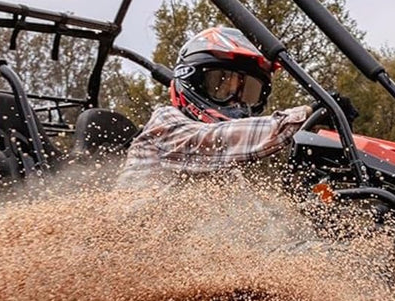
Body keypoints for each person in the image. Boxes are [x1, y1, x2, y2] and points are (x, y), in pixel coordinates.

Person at [116, 27, 312, 188]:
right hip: (132, 231)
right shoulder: (166, 125)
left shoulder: (223, 166)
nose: (236, 103)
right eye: (221, 86)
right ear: (191, 80)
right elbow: (218, 138)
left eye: (248, 93)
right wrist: (305, 114)